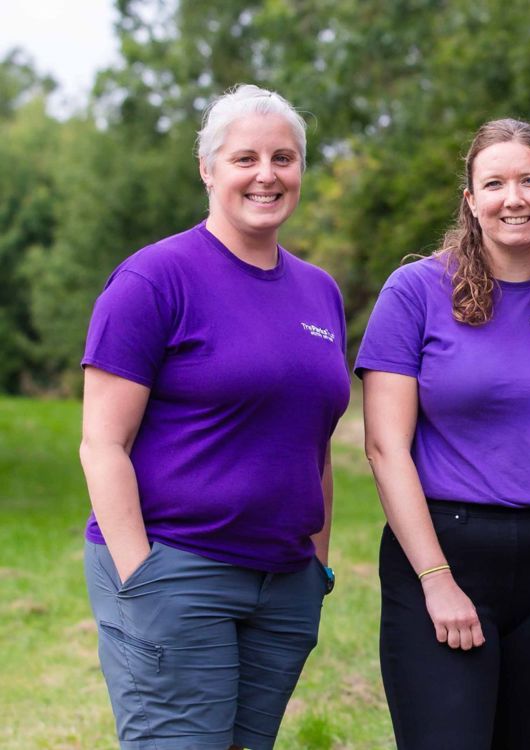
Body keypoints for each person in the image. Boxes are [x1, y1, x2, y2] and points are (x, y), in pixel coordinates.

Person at [79, 84, 349, 750]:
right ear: (208, 169)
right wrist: (142, 576)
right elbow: (101, 444)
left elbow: (313, 442)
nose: (267, 175)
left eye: (283, 158)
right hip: (178, 568)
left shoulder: (320, 291)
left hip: (284, 583)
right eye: (245, 159)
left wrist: (316, 568)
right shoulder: (154, 279)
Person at [357, 118, 530, 750]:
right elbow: (385, 446)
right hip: (446, 549)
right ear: (471, 201)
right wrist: (436, 578)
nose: (513, 198)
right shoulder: (415, 292)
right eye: (494, 183)